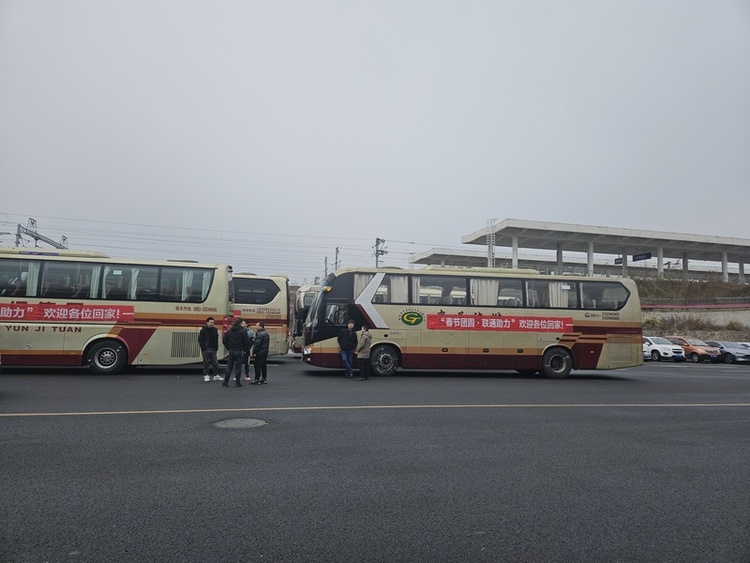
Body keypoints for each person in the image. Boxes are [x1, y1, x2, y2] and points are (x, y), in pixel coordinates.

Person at [222, 317, 250, 387]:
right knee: (238, 367)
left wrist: (229, 348)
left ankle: (226, 381)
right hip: (239, 351)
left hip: (231, 350)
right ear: (240, 324)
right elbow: (246, 342)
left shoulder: (230, 331)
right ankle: (237, 382)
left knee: (229, 367)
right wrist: (245, 350)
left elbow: (224, 341)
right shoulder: (243, 331)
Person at [198, 317, 222, 382]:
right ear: (207, 322)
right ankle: (206, 375)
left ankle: (216, 375)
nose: (212, 324)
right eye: (211, 322)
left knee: (215, 363)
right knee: (206, 363)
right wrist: (203, 348)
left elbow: (216, 339)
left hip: (213, 348)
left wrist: (216, 347)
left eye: (213, 322)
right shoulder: (203, 330)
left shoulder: (215, 330)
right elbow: (200, 340)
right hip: (206, 348)